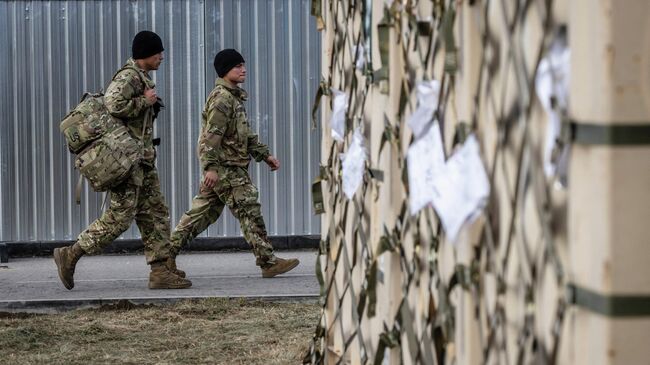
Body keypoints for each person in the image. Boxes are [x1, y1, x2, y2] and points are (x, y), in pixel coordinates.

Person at [53, 31, 192, 290]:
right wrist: (143, 101)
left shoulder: (142, 77)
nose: (161, 57)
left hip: (143, 162)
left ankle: (161, 270)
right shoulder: (128, 77)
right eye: (157, 52)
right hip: (127, 164)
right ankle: (70, 254)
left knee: (156, 214)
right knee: (119, 218)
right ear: (145, 55)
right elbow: (112, 103)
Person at [169, 49, 299, 278]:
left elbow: (243, 134)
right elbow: (210, 137)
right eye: (238, 66)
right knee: (249, 209)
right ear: (225, 70)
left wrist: (264, 155)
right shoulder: (222, 98)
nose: (244, 69)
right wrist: (210, 167)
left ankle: (164, 258)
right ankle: (268, 262)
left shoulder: (233, 97)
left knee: (200, 215)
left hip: (226, 168)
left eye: (243, 65)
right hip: (225, 168)